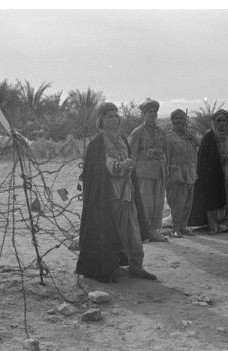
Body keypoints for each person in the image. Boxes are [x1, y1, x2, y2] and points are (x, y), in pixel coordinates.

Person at [76, 102, 157, 283]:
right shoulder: (97, 143)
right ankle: (110, 268)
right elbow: (104, 164)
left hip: (127, 193)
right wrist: (120, 166)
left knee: (133, 232)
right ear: (101, 120)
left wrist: (130, 166)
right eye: (109, 116)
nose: (114, 119)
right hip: (109, 196)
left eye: (115, 115)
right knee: (111, 232)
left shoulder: (122, 138)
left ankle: (136, 267)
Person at [129, 98, 168, 242]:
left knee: (158, 204)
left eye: (154, 112)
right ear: (144, 114)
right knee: (145, 203)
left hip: (159, 172)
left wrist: (166, 168)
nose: (152, 114)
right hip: (144, 172)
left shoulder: (162, 132)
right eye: (149, 112)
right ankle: (142, 232)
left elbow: (166, 152)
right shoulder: (137, 132)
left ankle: (155, 231)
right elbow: (131, 154)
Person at [165, 109, 198, 238]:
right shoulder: (168, 137)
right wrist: (167, 174)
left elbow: (195, 153)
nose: (179, 121)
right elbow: (166, 157)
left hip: (189, 172)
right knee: (177, 203)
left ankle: (183, 226)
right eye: (176, 118)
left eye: (181, 118)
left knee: (188, 202)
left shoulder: (190, 136)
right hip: (175, 173)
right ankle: (176, 228)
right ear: (172, 121)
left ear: (186, 120)